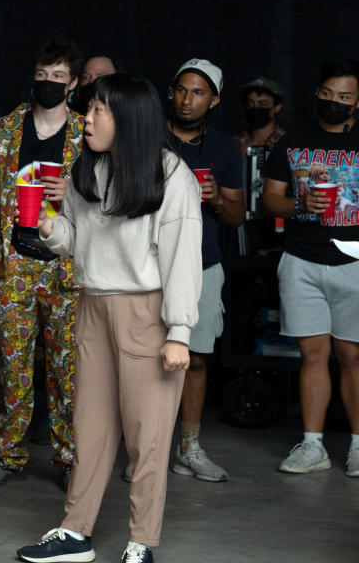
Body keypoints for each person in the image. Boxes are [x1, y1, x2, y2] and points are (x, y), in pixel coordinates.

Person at [16, 73, 202, 563]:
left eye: (98, 110)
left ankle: (141, 541)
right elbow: (78, 241)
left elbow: (182, 258)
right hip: (92, 305)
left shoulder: (171, 176)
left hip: (147, 312)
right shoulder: (89, 168)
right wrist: (49, 228)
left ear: (129, 118)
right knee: (90, 429)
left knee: (148, 436)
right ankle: (75, 532)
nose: (87, 118)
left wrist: (179, 332)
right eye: (90, 109)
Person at [0, 38, 84, 491]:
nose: (49, 83)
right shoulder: (6, 127)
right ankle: (9, 453)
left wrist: (70, 193)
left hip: (66, 267)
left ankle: (70, 458)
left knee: (66, 369)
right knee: (12, 364)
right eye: (43, 74)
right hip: (14, 262)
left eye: (59, 77)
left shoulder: (85, 132)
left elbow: (102, 201)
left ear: (73, 84)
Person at [262, 58, 359, 477]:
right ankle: (313, 445)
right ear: (317, 94)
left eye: (344, 97)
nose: (334, 103)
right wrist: (300, 204)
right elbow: (270, 201)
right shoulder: (292, 143)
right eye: (328, 94)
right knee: (313, 355)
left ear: (357, 103)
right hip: (301, 259)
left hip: (354, 260)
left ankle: (358, 445)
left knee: (352, 355)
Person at [162, 59, 244, 482]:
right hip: (150, 266)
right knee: (145, 361)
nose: (187, 99)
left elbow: (236, 216)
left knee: (194, 359)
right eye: (181, 89)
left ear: (213, 100)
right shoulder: (150, 138)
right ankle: (148, 452)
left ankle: (188, 448)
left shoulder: (224, 150)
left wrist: (216, 200)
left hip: (203, 264)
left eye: (197, 93)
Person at [232, 77, 285, 155]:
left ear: (277, 107)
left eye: (263, 104)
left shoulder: (286, 142)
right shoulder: (234, 144)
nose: (256, 107)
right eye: (250, 104)